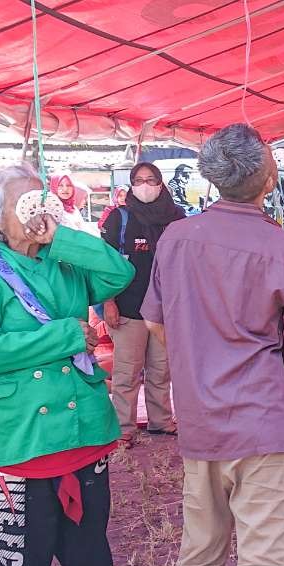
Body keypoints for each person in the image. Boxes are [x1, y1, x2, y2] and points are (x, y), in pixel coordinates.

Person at [141, 124, 284, 566]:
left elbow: (156, 324)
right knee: (261, 551)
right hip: (260, 417)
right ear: (268, 178)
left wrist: (195, 359)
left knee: (201, 550)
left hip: (198, 416)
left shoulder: (176, 239)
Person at [0, 164, 142, 566]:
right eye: (25, 204)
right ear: (1, 218)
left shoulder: (65, 262)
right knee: (22, 548)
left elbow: (119, 274)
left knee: (88, 538)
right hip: (21, 435)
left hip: (81, 427)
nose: (37, 210)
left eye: (41, 200)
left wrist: (62, 238)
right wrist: (66, 335)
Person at [101, 163, 183, 445]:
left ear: (161, 184)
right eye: (139, 180)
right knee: (127, 370)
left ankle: (160, 420)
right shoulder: (119, 219)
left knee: (162, 369)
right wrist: (108, 302)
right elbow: (103, 266)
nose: (145, 185)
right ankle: (123, 425)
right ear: (131, 184)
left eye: (151, 180)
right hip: (128, 307)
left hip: (164, 309)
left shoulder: (175, 218)